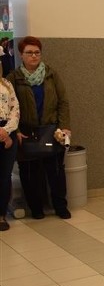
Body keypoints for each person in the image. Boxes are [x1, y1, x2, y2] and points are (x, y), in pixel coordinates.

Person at [8, 36, 72, 219]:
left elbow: (63, 102)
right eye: (29, 53)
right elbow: (9, 107)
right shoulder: (13, 78)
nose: (34, 56)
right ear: (21, 55)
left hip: (51, 131)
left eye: (37, 52)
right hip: (26, 133)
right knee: (29, 173)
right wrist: (17, 130)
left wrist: (64, 126)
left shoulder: (51, 74)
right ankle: (36, 209)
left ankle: (61, 207)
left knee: (56, 171)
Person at [0, 76, 19, 231]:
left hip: (7, 131)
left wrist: (6, 131)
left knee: (4, 177)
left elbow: (15, 109)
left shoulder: (6, 83)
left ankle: (1, 215)